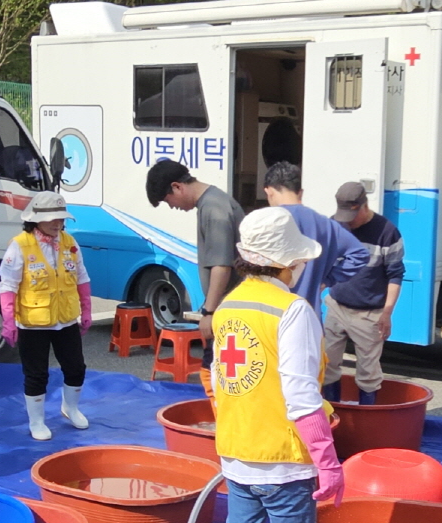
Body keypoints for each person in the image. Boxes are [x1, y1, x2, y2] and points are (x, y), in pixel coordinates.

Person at [206, 207, 346, 523]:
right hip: (283, 463)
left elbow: (221, 383)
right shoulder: (293, 311)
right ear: (289, 263)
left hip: (236, 456)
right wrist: (329, 463)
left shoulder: (229, 306)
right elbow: (301, 397)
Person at [0, 192, 92, 440]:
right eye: (53, 218)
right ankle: (37, 421)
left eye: (61, 218)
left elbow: (81, 276)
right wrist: (9, 321)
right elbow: (7, 285)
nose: (58, 223)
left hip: (66, 319)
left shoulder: (69, 242)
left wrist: (86, 309)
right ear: (36, 219)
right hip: (33, 323)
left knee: (75, 368)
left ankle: (70, 408)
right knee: (36, 373)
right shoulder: (20, 245)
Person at [146, 159, 245, 392]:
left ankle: (221, 422)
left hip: (228, 307)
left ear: (177, 187)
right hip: (229, 305)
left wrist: (209, 312)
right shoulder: (212, 202)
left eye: (167, 200)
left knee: (213, 373)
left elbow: (221, 265)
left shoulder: (213, 208)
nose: (172, 206)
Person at [322, 182, 404, 405]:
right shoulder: (335, 224)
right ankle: (333, 413)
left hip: (369, 313)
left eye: (352, 216)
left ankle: (366, 418)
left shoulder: (388, 232)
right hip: (337, 305)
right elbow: (326, 261)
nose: (347, 221)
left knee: (368, 373)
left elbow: (395, 275)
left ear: (364, 207)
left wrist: (387, 313)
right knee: (327, 363)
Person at [261, 161, 369, 308]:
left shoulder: (266, 222)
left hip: (272, 313)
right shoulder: (325, 224)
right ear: (300, 192)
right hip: (309, 315)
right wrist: (327, 280)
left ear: (269, 192)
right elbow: (360, 254)